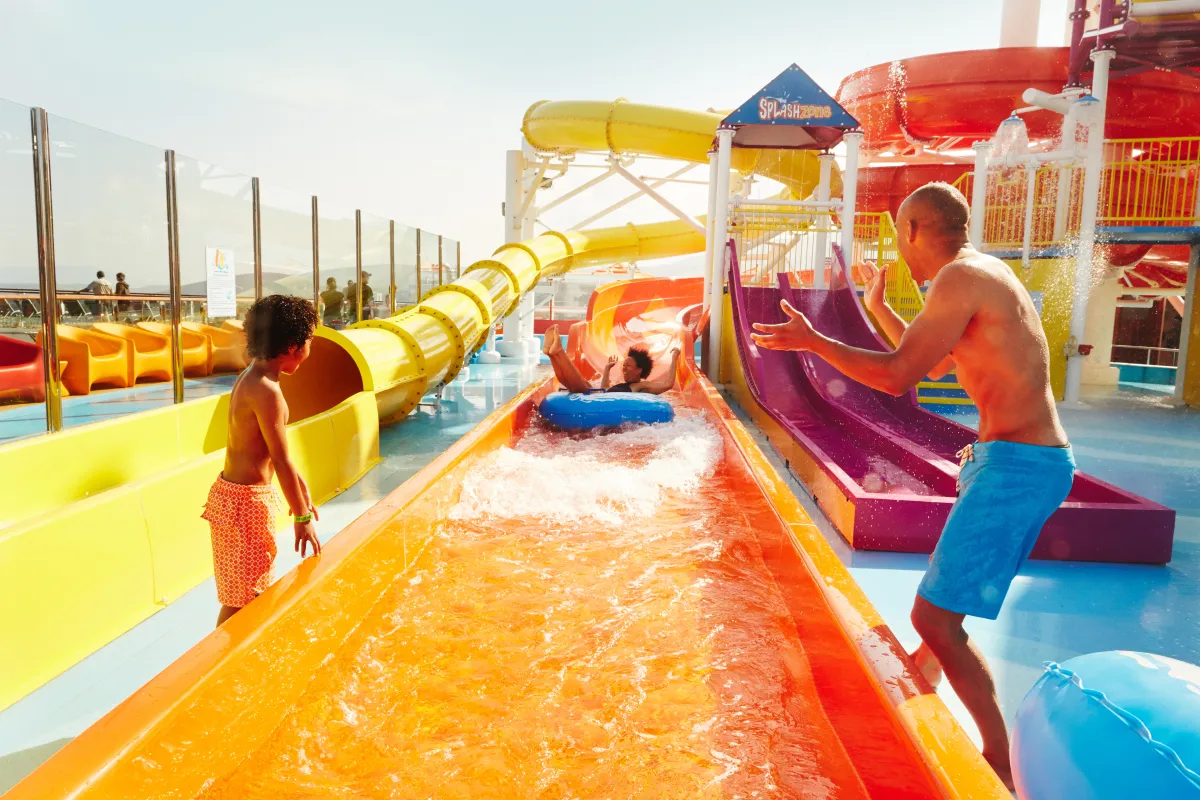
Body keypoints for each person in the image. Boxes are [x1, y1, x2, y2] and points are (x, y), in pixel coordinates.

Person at [750, 182, 1074, 789]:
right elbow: (936, 364)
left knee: (934, 620)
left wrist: (812, 341)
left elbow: (899, 375)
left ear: (915, 230)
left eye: (901, 236)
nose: (902, 252)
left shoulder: (958, 278)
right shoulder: (981, 274)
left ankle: (998, 761)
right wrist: (876, 304)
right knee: (940, 616)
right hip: (1014, 462)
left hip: (1017, 466)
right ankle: (918, 696)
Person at [201, 294, 322, 627]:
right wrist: (300, 517)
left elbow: (271, 453)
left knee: (243, 595)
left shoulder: (251, 377)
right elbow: (280, 460)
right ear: (293, 346)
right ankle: (222, 665)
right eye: (310, 339)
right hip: (246, 506)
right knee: (247, 599)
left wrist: (300, 487)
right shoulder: (267, 391)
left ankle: (225, 659)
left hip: (236, 497)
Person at [541, 324, 680, 395]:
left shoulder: (641, 386)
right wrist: (607, 368)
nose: (623, 368)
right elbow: (605, 389)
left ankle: (558, 352)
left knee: (580, 387)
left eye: (628, 366)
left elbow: (667, 384)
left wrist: (674, 358)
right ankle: (553, 354)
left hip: (599, 400)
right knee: (578, 383)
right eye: (624, 365)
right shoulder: (621, 385)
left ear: (639, 370)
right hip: (601, 397)